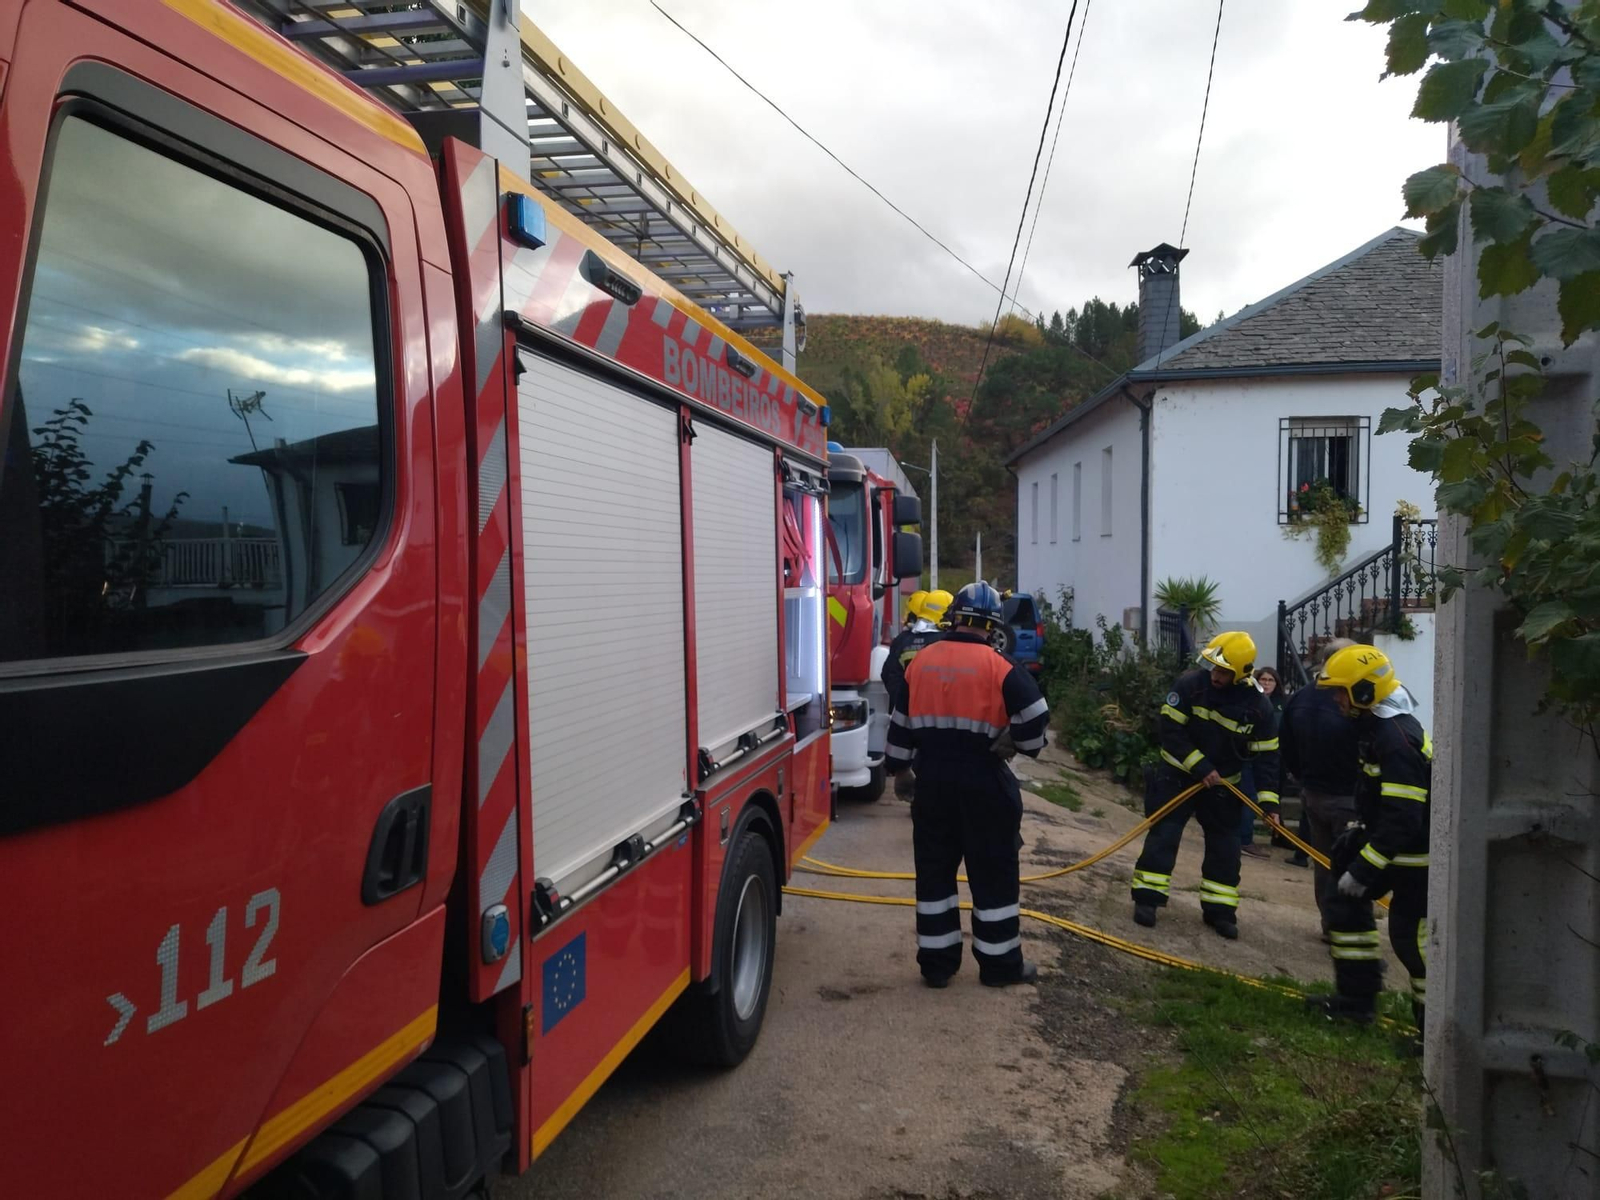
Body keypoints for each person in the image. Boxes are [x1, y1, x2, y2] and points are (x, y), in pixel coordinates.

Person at [885, 581, 1050, 988]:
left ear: (954, 618)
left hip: (933, 785)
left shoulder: (920, 663)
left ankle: (937, 967)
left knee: (935, 875)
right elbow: (1034, 728)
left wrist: (901, 772)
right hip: (985, 785)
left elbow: (899, 730)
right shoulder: (1002, 667)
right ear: (993, 625)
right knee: (993, 876)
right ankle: (999, 968)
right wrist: (1014, 740)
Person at [1304, 644, 1430, 1029]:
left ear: (1363, 692)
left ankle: (1432, 1032)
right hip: (1394, 843)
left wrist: (1363, 869)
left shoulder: (1396, 739)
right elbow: (1382, 801)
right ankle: (1355, 1002)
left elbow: (1404, 818)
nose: (1337, 701)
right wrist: (1359, 834)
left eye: (1341, 692)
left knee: (1411, 942)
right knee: (1341, 903)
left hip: (1414, 854)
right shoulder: (1377, 725)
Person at [1130, 631, 1281, 940]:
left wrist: (1270, 805)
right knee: (1164, 836)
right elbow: (1170, 730)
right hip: (1178, 776)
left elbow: (1268, 759)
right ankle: (1147, 900)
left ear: (1241, 672)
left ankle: (1220, 911)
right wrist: (1200, 766)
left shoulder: (1258, 707)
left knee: (1225, 848)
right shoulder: (1191, 685)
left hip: (1225, 786)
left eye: (1224, 671)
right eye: (1214, 667)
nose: (1216, 675)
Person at [1278, 638, 1361, 936]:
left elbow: (1285, 745)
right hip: (1347, 797)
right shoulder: (1349, 700)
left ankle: (1329, 923)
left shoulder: (1299, 698)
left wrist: (1302, 778)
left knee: (1323, 863)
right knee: (1349, 864)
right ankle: (1346, 927)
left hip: (1312, 794)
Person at [1238, 667, 1285, 859]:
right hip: (1247, 756)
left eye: (1270, 680)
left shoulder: (1281, 705)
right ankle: (1245, 839)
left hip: (1270, 757)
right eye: (1263, 679)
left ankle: (1276, 835)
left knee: (1269, 796)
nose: (1266, 683)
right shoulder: (1251, 701)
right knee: (1249, 798)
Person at [881, 588, 952, 710]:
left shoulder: (901, 640)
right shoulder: (948, 641)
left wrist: (903, 702)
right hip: (938, 713)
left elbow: (888, 674)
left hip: (904, 714)